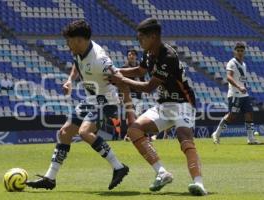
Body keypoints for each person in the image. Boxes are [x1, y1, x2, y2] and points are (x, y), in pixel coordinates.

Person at [108, 18, 207, 196]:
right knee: (134, 130)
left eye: (141, 38)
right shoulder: (149, 53)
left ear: (153, 37)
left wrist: (121, 80)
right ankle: (162, 173)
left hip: (182, 103)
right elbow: (140, 71)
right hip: (163, 104)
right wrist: (116, 71)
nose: (139, 42)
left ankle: (199, 183)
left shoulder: (167, 56)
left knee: (184, 138)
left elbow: (148, 87)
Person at [26, 20, 129, 190]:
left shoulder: (100, 60)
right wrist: (70, 81)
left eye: (69, 41)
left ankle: (119, 167)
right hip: (90, 100)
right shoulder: (79, 50)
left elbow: (121, 81)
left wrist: (130, 110)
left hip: (106, 101)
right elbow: (77, 63)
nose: (67, 44)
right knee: (64, 133)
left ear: (80, 40)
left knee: (84, 132)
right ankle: (50, 178)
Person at [212, 43, 262, 145]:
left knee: (249, 114)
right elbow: (229, 77)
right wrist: (239, 87)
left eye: (241, 51)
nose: (240, 52)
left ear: (244, 52)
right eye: (238, 50)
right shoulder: (232, 63)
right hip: (235, 94)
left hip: (244, 95)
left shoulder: (244, 64)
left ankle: (251, 139)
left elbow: (241, 79)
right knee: (232, 116)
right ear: (234, 51)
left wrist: (243, 87)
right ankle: (216, 134)